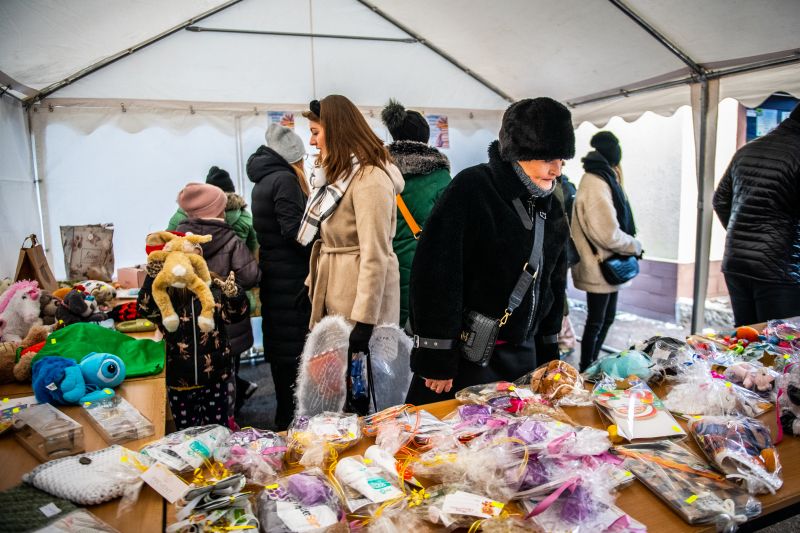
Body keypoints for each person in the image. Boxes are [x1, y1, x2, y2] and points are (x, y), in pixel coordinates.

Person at [405, 97, 573, 405]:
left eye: (561, 160)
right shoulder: (473, 188)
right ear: (520, 152)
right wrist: (437, 355)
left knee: (517, 447)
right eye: (548, 159)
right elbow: (435, 274)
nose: (556, 171)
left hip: (524, 358)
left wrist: (549, 353)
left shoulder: (553, 207)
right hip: (468, 356)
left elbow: (553, 284)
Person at [298, 95, 404, 410]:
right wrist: (312, 285)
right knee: (341, 389)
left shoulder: (370, 179)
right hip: (338, 293)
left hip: (359, 303)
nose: (312, 140)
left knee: (364, 393)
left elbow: (376, 254)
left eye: (316, 131)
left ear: (337, 129)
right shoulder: (338, 176)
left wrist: (364, 322)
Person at [138, 247, 249, 430]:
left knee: (219, 431)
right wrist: (152, 277)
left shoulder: (213, 287)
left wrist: (234, 295)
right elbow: (146, 309)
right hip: (180, 381)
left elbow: (235, 315)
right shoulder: (165, 292)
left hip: (216, 379)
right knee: (188, 434)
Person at [173, 183, 261, 414]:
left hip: (190, 327)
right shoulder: (231, 240)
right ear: (217, 210)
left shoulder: (178, 241)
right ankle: (229, 416)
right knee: (226, 378)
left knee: (193, 387)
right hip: (226, 325)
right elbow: (251, 276)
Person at [247, 123, 311, 430]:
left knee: (282, 355)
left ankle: (285, 420)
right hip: (292, 281)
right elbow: (293, 231)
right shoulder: (285, 179)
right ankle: (293, 427)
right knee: (296, 356)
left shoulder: (262, 180)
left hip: (274, 277)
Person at [713, 103, 800, 326]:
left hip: (737, 262)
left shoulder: (748, 149)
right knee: (780, 346)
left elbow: (720, 200)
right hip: (780, 268)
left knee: (747, 339)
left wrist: (747, 234)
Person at [571, 131, 642, 371]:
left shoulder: (600, 178)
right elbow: (607, 233)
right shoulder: (596, 182)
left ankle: (590, 366)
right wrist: (635, 246)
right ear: (613, 161)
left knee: (605, 318)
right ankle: (586, 368)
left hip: (605, 264)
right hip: (598, 265)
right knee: (597, 321)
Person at [380, 99, 451, 326]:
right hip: (426, 268)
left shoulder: (378, 173)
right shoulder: (440, 177)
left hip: (384, 269)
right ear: (426, 137)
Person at [168, 166, 258, 253]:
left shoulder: (184, 213)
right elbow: (254, 248)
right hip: (234, 266)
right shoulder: (244, 216)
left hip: (193, 266)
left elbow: (166, 242)